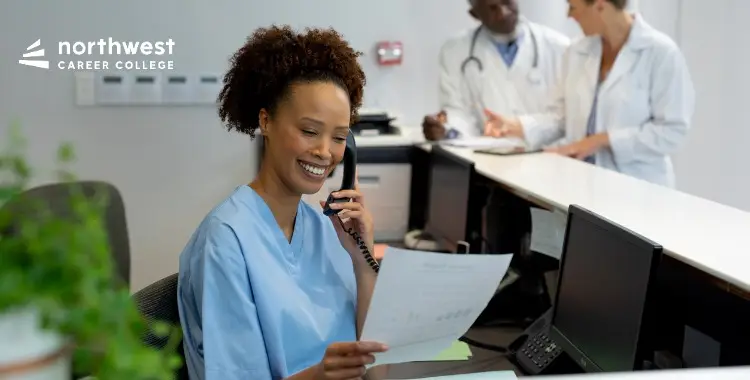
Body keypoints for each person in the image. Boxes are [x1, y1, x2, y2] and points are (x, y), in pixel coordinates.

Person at [176, 25, 389, 380]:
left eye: (339, 137)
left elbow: (376, 374)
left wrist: (363, 262)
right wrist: (321, 374)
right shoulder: (226, 241)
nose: (324, 152)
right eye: (309, 131)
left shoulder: (327, 230)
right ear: (266, 121)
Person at [487, 0, 695, 188]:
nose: (569, 15)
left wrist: (603, 140)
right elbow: (561, 118)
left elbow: (672, 132)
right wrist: (518, 126)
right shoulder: (577, 51)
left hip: (638, 190)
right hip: (582, 186)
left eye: (573, 7)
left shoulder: (661, 53)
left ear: (600, 6)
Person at [423, 0, 571, 140]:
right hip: (488, 158)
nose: (503, 13)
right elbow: (458, 111)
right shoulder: (454, 51)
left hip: (548, 156)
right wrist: (445, 130)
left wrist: (523, 127)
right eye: (492, 7)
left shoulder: (559, 47)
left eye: (506, 1)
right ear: (475, 14)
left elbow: (565, 115)